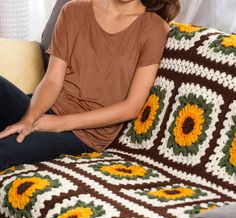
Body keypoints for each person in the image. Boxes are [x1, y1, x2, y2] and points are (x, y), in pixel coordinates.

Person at [0, 0, 180, 171]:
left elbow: (131, 107)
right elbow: (52, 80)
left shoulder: (153, 28)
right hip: (45, 107)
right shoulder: (73, 11)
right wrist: (28, 120)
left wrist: (60, 123)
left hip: (84, 135)